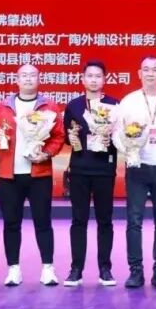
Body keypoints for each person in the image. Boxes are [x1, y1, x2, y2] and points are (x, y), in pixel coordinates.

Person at [0, 64, 65, 287]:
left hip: (39, 173)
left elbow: (58, 136)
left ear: (39, 79)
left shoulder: (49, 106)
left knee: (43, 222)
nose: (28, 79)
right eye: (24, 75)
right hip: (9, 175)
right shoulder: (3, 106)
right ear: (17, 80)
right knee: (11, 223)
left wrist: (46, 153)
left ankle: (48, 269)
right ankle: (13, 269)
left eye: (33, 75)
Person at [113, 56, 156, 289]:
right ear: (139, 73)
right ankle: (135, 271)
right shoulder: (128, 101)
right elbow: (117, 133)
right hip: (137, 166)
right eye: (146, 69)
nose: (150, 73)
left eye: (155, 70)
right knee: (134, 221)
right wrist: (128, 150)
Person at [62, 60, 120, 287]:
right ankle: (76, 269)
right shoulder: (74, 106)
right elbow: (67, 137)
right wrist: (72, 137)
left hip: (104, 169)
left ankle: (105, 269)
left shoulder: (114, 105)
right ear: (83, 79)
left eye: (98, 76)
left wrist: (109, 140)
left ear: (104, 79)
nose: (94, 80)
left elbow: (122, 138)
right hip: (79, 169)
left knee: (105, 220)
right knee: (79, 220)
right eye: (90, 76)